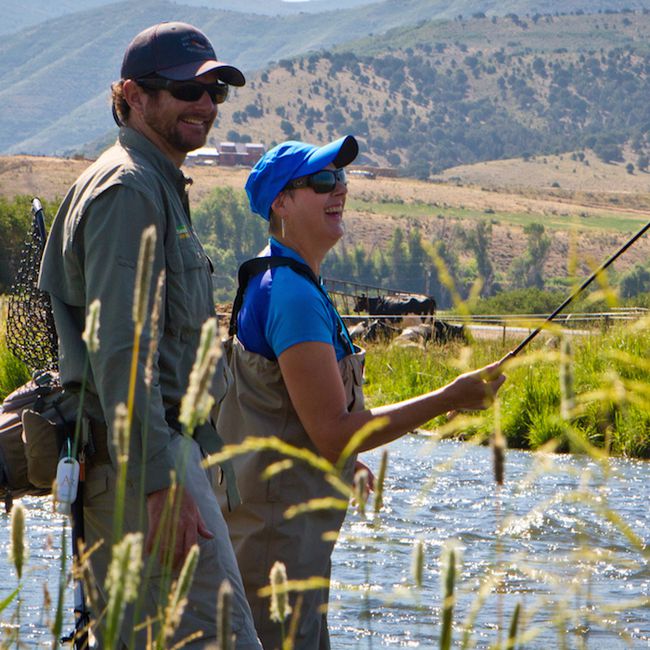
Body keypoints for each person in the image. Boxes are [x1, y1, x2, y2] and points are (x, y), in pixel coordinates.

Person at [216, 135, 508, 648]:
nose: (341, 190)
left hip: (273, 532)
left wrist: (347, 464)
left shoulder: (282, 280)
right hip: (276, 545)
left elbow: (289, 412)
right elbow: (331, 433)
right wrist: (451, 398)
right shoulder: (291, 294)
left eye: (343, 179)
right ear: (280, 202)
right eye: (324, 181)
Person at [39, 22, 261, 648]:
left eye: (216, 92)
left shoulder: (153, 183)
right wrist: (159, 483)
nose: (206, 106)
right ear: (133, 96)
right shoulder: (128, 189)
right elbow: (122, 351)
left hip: (157, 459)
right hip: (148, 468)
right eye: (185, 91)